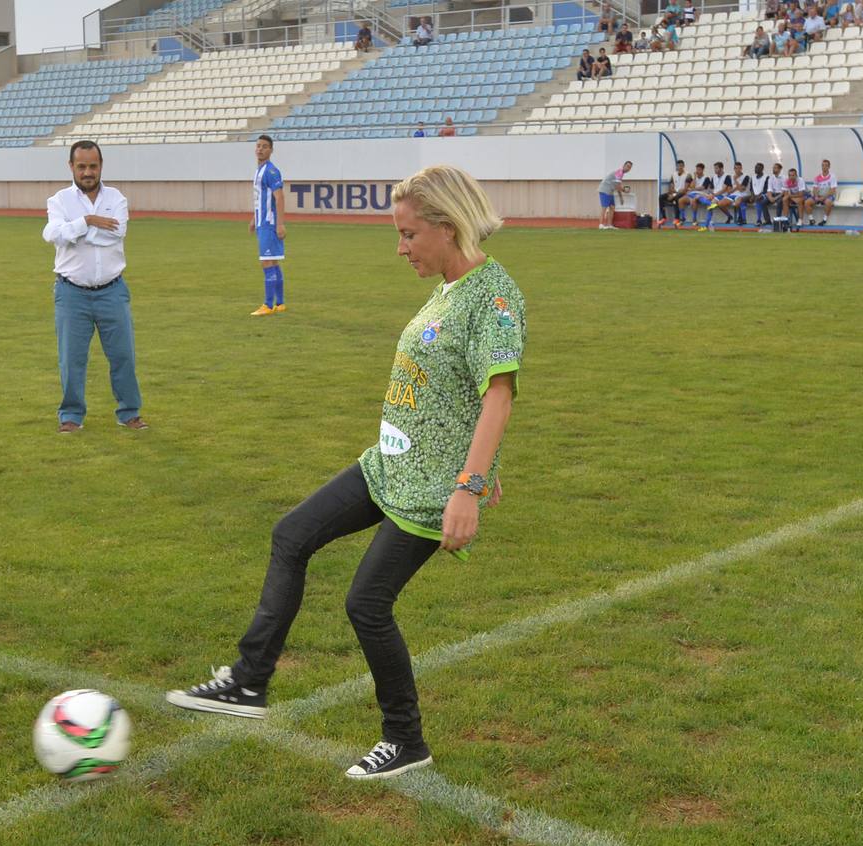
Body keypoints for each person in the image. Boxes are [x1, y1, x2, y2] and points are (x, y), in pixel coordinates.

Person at [166, 164, 524, 782]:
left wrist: (468, 485)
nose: (401, 247)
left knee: (366, 603)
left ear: (446, 226)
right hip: (387, 464)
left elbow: (499, 394)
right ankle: (250, 682)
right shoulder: (446, 290)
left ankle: (405, 740)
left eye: (409, 234)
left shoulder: (494, 297)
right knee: (292, 535)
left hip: (431, 490)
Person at [43, 140, 146, 432]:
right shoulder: (59, 200)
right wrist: (88, 220)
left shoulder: (117, 198)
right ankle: (71, 417)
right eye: (82, 166)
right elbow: (51, 234)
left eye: (93, 166)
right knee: (71, 359)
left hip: (112, 290)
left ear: (101, 166)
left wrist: (74, 231)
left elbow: (117, 233)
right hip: (71, 292)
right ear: (71, 167)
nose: (88, 172)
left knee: (123, 355)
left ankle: (129, 413)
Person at [250, 134, 287, 317]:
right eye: (258, 146)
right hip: (262, 221)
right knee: (273, 261)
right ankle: (279, 303)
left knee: (266, 262)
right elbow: (260, 198)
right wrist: (253, 218)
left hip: (269, 223)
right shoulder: (259, 170)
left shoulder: (271, 171)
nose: (260, 149)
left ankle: (267, 304)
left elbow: (279, 197)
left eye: (264, 146)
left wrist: (280, 224)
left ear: (271, 150)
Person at [597, 160, 632, 229]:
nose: (628, 168)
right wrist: (623, 192)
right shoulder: (619, 172)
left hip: (610, 191)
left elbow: (617, 185)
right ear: (624, 165)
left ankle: (609, 225)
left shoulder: (621, 173)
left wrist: (622, 194)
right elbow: (618, 186)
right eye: (627, 166)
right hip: (604, 189)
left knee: (612, 207)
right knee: (604, 208)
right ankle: (601, 225)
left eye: (630, 167)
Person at [804, 158, 837, 226]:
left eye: (826, 165)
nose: (824, 167)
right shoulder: (817, 177)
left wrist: (823, 197)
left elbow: (832, 190)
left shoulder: (832, 177)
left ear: (829, 167)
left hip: (828, 196)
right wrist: (816, 196)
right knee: (807, 202)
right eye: (823, 165)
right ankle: (811, 220)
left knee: (828, 202)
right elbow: (815, 188)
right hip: (818, 196)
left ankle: (824, 220)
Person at [660, 159, 688, 226]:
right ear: (676, 167)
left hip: (682, 193)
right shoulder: (673, 175)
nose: (680, 167)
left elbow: (685, 189)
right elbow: (671, 186)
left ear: (683, 166)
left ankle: (677, 218)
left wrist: (674, 195)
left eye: (681, 166)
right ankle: (664, 217)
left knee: (676, 198)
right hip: (674, 193)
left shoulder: (687, 175)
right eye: (678, 166)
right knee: (661, 197)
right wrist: (671, 193)